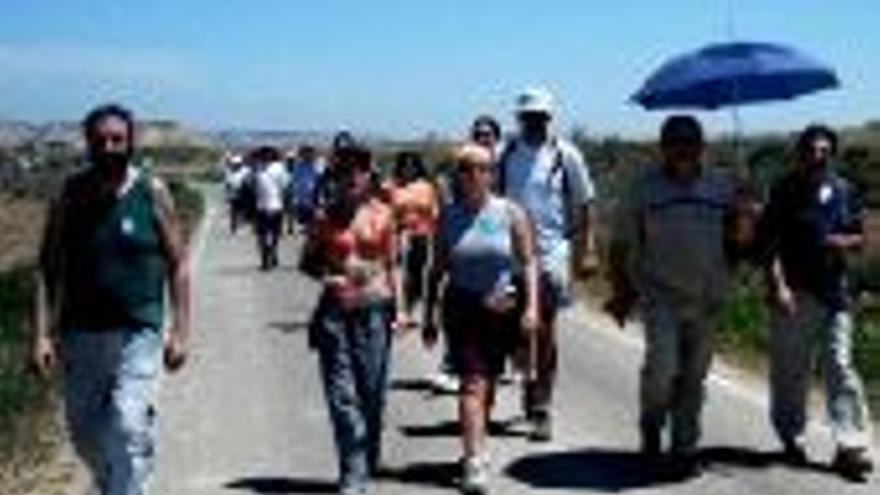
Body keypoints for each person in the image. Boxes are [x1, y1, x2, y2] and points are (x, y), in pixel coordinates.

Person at [30, 103, 191, 495]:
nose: (109, 147)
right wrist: (41, 335)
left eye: (118, 139)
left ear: (130, 142)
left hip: (138, 332)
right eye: (100, 139)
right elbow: (46, 268)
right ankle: (115, 481)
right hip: (79, 335)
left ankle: (128, 482)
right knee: (85, 434)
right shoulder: (70, 195)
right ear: (87, 143)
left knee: (126, 422)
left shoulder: (152, 192)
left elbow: (179, 265)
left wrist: (180, 332)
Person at [605, 115, 754, 475]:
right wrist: (623, 291)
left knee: (693, 377)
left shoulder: (723, 187)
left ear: (702, 146)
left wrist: (744, 214)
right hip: (660, 297)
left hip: (708, 297)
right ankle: (652, 423)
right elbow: (621, 245)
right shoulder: (644, 189)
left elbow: (740, 245)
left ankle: (684, 446)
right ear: (663, 148)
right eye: (675, 142)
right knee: (663, 369)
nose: (683, 149)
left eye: (690, 142)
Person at [756, 124, 874, 480]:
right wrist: (778, 287)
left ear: (831, 155)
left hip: (834, 293)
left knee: (840, 365)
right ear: (799, 154)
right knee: (790, 373)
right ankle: (791, 437)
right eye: (810, 150)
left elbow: (859, 238)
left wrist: (841, 242)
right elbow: (769, 245)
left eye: (824, 151)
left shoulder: (844, 190)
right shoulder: (783, 190)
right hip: (793, 294)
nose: (816, 156)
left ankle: (851, 447)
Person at [423, 143, 539, 494]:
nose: (475, 175)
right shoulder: (448, 216)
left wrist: (532, 307)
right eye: (467, 169)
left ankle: (477, 441)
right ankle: (474, 461)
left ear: (492, 174)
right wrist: (428, 314)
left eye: (483, 168)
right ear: (458, 174)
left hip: (502, 309)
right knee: (472, 383)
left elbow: (529, 261)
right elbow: (436, 269)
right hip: (462, 307)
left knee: (487, 382)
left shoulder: (510, 213)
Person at [300, 143, 408, 495]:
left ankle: (368, 455)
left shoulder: (383, 214)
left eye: (358, 169)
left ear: (368, 173)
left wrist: (403, 310)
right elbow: (308, 261)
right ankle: (352, 471)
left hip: (375, 310)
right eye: (344, 170)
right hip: (335, 313)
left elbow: (393, 265)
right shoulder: (325, 216)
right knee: (342, 397)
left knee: (372, 394)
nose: (351, 176)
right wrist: (327, 277)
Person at [495, 87, 597, 441]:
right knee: (515, 332)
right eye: (528, 116)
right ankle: (526, 378)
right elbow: (489, 200)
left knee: (545, 330)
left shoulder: (565, 154)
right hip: (508, 254)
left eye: (540, 116)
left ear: (549, 117)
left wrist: (588, 250)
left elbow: (584, 204)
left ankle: (542, 407)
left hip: (552, 253)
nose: (534, 122)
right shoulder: (504, 154)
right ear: (519, 118)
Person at [252, 146, 289, 270]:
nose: (264, 158)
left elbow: (284, 185)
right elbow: (284, 186)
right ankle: (267, 257)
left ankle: (270, 254)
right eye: (263, 156)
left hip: (270, 206)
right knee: (266, 234)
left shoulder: (274, 168)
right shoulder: (260, 168)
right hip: (267, 206)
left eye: (265, 156)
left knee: (270, 234)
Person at [290, 144, 325, 233]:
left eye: (309, 153)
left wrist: (321, 196)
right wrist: (295, 196)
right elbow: (295, 181)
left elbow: (321, 180)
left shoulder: (317, 166)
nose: (307, 155)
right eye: (305, 153)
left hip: (314, 196)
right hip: (302, 197)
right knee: (304, 219)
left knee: (313, 218)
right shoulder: (298, 166)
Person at [223, 153, 249, 234]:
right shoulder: (230, 172)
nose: (236, 165)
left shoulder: (245, 171)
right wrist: (227, 193)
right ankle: (233, 226)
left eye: (238, 164)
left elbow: (248, 181)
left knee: (241, 210)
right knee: (234, 210)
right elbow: (227, 183)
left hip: (243, 193)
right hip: (234, 194)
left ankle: (239, 223)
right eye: (235, 164)